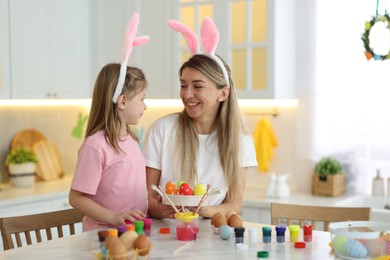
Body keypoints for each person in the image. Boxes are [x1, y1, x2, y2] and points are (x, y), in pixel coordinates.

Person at [143, 17, 257, 219]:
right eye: (183, 85)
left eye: (198, 86)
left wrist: (201, 211)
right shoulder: (162, 130)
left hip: (213, 232)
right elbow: (147, 198)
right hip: (167, 234)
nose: (187, 94)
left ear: (223, 93)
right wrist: (160, 210)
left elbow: (235, 203)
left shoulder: (241, 141)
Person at [69, 13, 150, 231]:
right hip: (103, 238)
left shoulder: (131, 140)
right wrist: (114, 217)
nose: (145, 106)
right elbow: (76, 198)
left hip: (132, 233)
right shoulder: (96, 146)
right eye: (142, 99)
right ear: (122, 101)